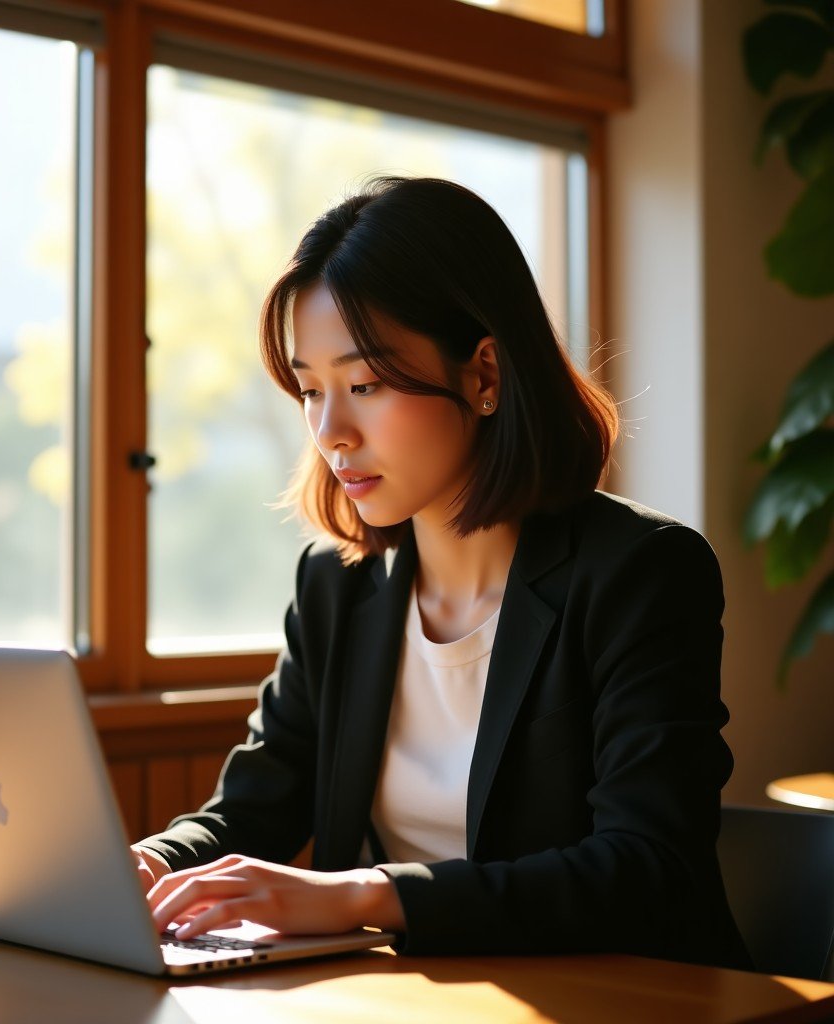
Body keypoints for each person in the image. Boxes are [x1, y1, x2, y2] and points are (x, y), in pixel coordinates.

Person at [132, 176, 750, 969]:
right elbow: (249, 812)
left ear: (484, 376)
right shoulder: (337, 585)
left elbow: (647, 867)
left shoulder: (643, 573)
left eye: (365, 385)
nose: (331, 432)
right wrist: (148, 862)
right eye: (310, 390)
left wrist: (366, 893)